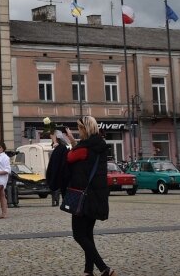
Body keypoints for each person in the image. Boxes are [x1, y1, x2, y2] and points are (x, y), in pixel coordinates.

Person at [65, 116, 115, 276]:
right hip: (97, 195)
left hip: (84, 196)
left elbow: (70, 157)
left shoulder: (85, 148)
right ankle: (88, 270)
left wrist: (72, 142)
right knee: (87, 234)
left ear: (85, 129)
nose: (78, 131)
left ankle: (104, 269)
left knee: (79, 234)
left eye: (79, 128)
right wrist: (75, 142)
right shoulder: (99, 145)